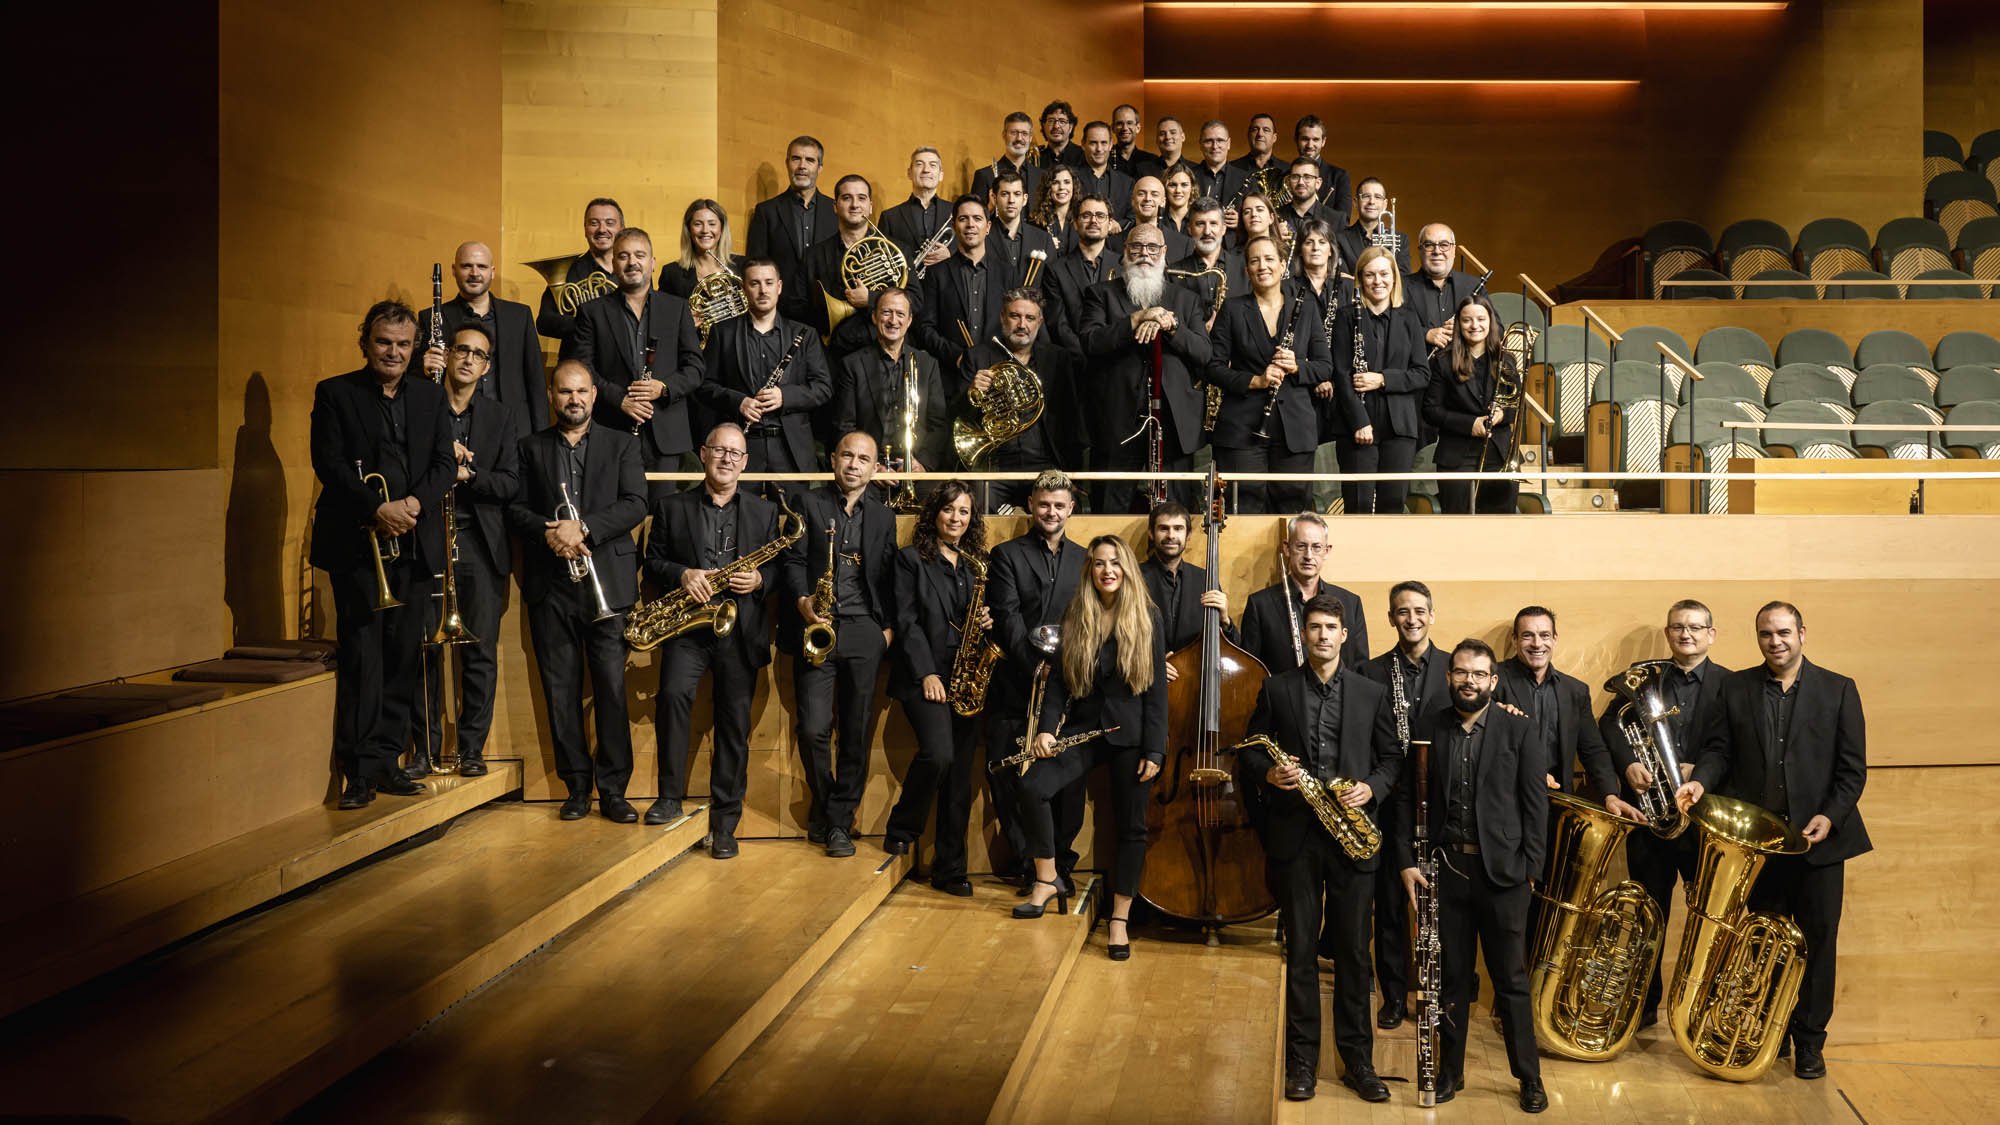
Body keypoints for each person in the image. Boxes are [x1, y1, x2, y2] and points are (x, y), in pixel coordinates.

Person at [1677, 601, 1868, 1081]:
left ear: (1802, 633)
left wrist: (1829, 816)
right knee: (1763, 944)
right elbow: (1719, 750)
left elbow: (1852, 771)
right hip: (1761, 845)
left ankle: (1809, 1042)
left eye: (1783, 632)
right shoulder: (1736, 687)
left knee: (1818, 945)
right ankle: (1768, 1035)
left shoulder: (1839, 689)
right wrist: (1700, 780)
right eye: (1766, 634)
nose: (1775, 641)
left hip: (1819, 844)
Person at [1240, 594, 1399, 1104]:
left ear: (1344, 634)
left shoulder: (1372, 693)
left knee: (1353, 954)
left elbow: (1392, 759)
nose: (1323, 635)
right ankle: (1302, 1063)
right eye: (1314, 627)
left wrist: (1371, 787)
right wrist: (1269, 773)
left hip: (1353, 836)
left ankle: (1358, 1063)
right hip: (1298, 837)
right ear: (1303, 634)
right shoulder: (1277, 688)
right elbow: (1250, 751)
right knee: (1302, 953)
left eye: (1331, 627)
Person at [1395, 638, 1551, 1113]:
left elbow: (1535, 805)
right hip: (1446, 873)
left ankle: (1529, 1078)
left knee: (1511, 982)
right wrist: (1406, 859)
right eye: (1461, 672)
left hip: (1504, 876)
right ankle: (1451, 1072)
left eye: (1479, 674)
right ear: (1449, 677)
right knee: (1452, 979)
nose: (1469, 681)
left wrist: (1531, 871)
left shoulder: (1519, 729)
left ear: (1493, 680)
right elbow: (1406, 797)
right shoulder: (1429, 726)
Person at [311, 300, 455, 809]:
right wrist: (377, 508)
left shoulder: (430, 396)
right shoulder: (335, 393)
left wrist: (413, 504)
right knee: (363, 659)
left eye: (403, 344)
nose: (393, 352)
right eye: (383, 342)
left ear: (414, 347)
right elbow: (328, 464)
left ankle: (388, 760)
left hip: (413, 541)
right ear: (365, 343)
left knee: (401, 657)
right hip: (359, 544)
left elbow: (443, 463)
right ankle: (358, 771)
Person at [1016, 535, 1168, 969]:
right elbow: (1058, 682)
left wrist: (1155, 749)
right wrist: (1047, 731)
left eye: (1115, 563)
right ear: (1090, 570)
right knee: (1031, 787)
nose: (1107, 570)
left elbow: (1156, 691)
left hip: (1131, 736)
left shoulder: (1147, 617)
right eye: (1100, 563)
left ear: (1127, 569)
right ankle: (1048, 879)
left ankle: (1119, 919)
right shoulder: (1076, 613)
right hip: (1084, 730)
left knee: (1131, 827)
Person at [507, 360, 647, 823]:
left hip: (608, 583)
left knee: (611, 690)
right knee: (560, 690)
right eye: (565, 392)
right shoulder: (529, 447)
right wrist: (551, 532)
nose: (574, 399)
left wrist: (582, 527)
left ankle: (614, 790)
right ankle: (576, 787)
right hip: (552, 586)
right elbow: (515, 508)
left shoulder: (622, 443)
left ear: (594, 395)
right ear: (552, 395)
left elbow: (635, 503)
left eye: (582, 391)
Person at [642, 424, 784, 857]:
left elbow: (781, 569)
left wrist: (760, 579)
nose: (726, 459)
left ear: (745, 462)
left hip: (739, 630)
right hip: (688, 627)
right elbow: (653, 561)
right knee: (672, 698)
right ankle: (669, 797)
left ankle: (725, 822)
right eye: (719, 450)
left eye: (735, 453)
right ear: (703, 454)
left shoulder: (764, 512)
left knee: (733, 725)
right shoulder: (671, 507)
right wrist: (683, 574)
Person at [1597, 599, 1730, 1029]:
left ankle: (1698, 1008)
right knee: (1646, 916)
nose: (1686, 634)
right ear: (1668, 633)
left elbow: (1730, 745)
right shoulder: (1645, 678)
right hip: (1652, 822)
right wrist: (1627, 765)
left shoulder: (1732, 685)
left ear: (1711, 634)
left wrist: (1701, 774)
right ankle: (1643, 1006)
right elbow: (1610, 726)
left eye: (1695, 627)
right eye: (1677, 627)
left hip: (1705, 822)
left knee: (1707, 920)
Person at [407, 323, 522, 781]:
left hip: (478, 543)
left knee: (479, 651)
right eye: (462, 350)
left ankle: (472, 749)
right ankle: (424, 749)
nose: (469, 359)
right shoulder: (420, 406)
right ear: (448, 354)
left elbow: (510, 483)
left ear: (487, 366)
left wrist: (469, 475)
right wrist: (441, 464)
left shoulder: (499, 417)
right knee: (424, 649)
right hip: (427, 538)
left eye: (479, 354)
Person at [783, 431, 898, 857]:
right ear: (833, 459)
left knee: (856, 730)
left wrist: (887, 631)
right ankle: (831, 807)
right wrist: (802, 601)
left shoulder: (883, 516)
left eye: (863, 459)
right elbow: (793, 559)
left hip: (865, 630)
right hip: (817, 623)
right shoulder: (807, 503)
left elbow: (889, 575)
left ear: (874, 468)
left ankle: (837, 821)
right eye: (847, 455)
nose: (853, 464)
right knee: (813, 728)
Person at [882, 481, 991, 895]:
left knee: (960, 776)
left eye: (964, 512)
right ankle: (902, 825)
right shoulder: (911, 559)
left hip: (966, 677)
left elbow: (980, 617)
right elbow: (906, 621)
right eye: (949, 510)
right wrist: (927, 673)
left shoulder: (976, 564)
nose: (956, 518)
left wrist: (987, 621)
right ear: (934, 514)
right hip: (924, 674)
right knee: (939, 754)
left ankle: (950, 868)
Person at [1356, 579, 1451, 1029]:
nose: (1411, 619)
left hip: (1442, 800)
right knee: (1390, 905)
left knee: (1444, 906)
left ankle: (1440, 995)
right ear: (1391, 618)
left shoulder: (1455, 667)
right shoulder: (1370, 671)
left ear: (1432, 615)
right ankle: (1393, 996)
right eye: (1402, 611)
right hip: (1389, 801)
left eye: (1419, 610)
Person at [986, 471, 1088, 885]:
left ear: (1071, 509)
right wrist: (1034, 666)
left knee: (1068, 781)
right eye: (1044, 504)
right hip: (1016, 680)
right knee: (1011, 779)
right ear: (1030, 504)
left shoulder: (1084, 558)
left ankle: (1060, 863)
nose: (1051, 512)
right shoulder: (1005, 555)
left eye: (1059, 505)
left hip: (1069, 686)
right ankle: (1029, 864)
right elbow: (1007, 617)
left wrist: (1064, 670)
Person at [1079, 223, 1213, 514]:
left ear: (1164, 252)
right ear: (1125, 251)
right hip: (1117, 422)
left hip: (1173, 424)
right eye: (1136, 247)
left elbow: (1204, 353)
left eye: (1152, 248)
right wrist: (1137, 318)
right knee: (1110, 512)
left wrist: (1172, 326)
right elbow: (1091, 342)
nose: (1144, 254)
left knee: (1174, 513)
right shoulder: (1100, 294)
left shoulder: (1186, 299)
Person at [570, 227, 705, 487]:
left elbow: (695, 368)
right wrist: (620, 400)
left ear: (652, 263)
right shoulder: (591, 312)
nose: (632, 262)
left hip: (665, 435)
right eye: (623, 256)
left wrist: (664, 388)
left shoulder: (677, 308)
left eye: (640, 255)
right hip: (612, 429)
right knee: (613, 506)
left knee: (663, 509)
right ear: (613, 264)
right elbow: (583, 370)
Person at [1206, 234, 1331, 514]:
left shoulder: (1306, 307)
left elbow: (1325, 365)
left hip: (1294, 431)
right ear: (1247, 269)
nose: (1262, 266)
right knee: (1243, 512)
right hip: (1241, 431)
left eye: (1269, 259)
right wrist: (1255, 381)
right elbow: (1213, 367)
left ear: (1283, 264)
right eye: (1255, 261)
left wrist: (1297, 366)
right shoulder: (1233, 309)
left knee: (1292, 512)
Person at [696, 259, 831, 488]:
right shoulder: (722, 332)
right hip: (742, 445)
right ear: (743, 288)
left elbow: (823, 387)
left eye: (769, 283)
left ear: (779, 287)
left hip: (790, 447)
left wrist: (784, 396)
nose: (762, 290)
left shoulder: (805, 334)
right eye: (754, 283)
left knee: (795, 510)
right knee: (739, 510)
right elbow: (704, 386)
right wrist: (739, 402)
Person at [960, 291, 1083, 511]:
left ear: (1040, 322)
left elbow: (1072, 420)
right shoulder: (977, 356)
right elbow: (956, 415)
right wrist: (972, 393)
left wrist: (1073, 473)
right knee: (977, 508)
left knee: (1063, 508)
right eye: (1015, 316)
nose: (1022, 325)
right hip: (996, 464)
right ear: (1002, 317)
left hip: (1044, 464)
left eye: (1030, 318)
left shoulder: (1057, 358)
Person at [1494, 605, 1627, 805]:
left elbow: (1593, 749)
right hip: (1506, 802)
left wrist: (1610, 795)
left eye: (1544, 635)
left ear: (1555, 639)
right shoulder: (1492, 680)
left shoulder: (1575, 691)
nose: (1537, 644)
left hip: (1558, 803)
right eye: (1528, 636)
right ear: (1515, 640)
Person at [1330, 245, 1427, 515]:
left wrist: (1382, 379)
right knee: (1358, 504)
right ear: (1360, 279)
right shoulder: (1346, 317)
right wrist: (1359, 422)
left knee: (1393, 504)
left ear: (1394, 277)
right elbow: (1341, 375)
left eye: (1384, 274)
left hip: (1399, 427)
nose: (1378, 281)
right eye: (1370, 274)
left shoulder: (1409, 319)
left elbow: (1422, 373)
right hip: (1357, 425)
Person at [416, 241, 544, 439]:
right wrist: (423, 369)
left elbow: (535, 380)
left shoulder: (519, 316)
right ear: (454, 270)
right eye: (467, 266)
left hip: (514, 429)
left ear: (492, 272)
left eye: (482, 266)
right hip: (455, 429)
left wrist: (540, 438)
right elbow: (416, 380)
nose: (474, 273)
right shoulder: (431, 317)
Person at [835, 287, 948, 492]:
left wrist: (922, 463)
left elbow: (938, 424)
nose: (893, 320)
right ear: (874, 316)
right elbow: (845, 425)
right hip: (869, 473)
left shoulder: (927, 364)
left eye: (900, 314)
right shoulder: (852, 365)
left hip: (916, 468)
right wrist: (871, 466)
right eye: (886, 312)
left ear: (910, 320)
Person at [1423, 295, 1519, 514]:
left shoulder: (1506, 360)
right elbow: (1430, 410)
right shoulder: (1443, 362)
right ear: (1459, 324)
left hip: (1499, 451)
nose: (1475, 325)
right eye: (1467, 320)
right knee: (1458, 522)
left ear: (1491, 322)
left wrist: (1501, 415)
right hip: (1456, 452)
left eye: (1481, 319)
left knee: (1500, 524)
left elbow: (1515, 405)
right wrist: (1469, 424)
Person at [1238, 512, 1368, 672]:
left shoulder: (1351, 603)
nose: (1308, 555)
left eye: (1316, 547)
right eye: (1301, 546)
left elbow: (1360, 670)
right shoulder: (1260, 605)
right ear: (1287, 548)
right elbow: (1250, 669)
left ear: (1327, 551)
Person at [916, 195, 1016, 380]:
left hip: (997, 374)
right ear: (954, 226)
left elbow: (1013, 324)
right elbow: (925, 328)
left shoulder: (1007, 273)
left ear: (988, 227)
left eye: (977, 218)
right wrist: (957, 357)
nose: (970, 225)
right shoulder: (936, 273)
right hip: (951, 375)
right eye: (963, 219)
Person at [803, 173, 899, 360]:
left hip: (883, 351)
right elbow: (801, 306)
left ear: (870, 206)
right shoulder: (814, 256)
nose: (855, 205)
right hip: (833, 354)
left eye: (861, 198)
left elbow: (915, 299)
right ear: (835, 206)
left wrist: (872, 299)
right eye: (847, 198)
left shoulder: (896, 250)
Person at [746, 135, 835, 324]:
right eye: (796, 159)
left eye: (810, 160)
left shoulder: (835, 210)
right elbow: (755, 264)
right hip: (781, 313)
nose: (802, 166)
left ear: (820, 167)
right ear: (787, 163)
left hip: (827, 314)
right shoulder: (766, 211)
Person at [1138, 500, 1235, 659]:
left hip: (1195, 671)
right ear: (1151, 533)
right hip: (1147, 673)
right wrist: (1153, 664)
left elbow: (1230, 648)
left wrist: (1225, 621)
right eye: (1163, 528)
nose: (1171, 536)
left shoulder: (1205, 579)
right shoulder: (1134, 576)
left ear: (1188, 535)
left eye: (1178, 528)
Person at [657, 199, 748, 341]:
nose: (705, 230)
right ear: (689, 229)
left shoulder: (744, 266)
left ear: (722, 228)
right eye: (698, 224)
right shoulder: (672, 273)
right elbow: (662, 321)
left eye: (712, 224)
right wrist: (684, 324)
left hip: (738, 345)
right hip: (695, 348)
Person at [536, 197, 621, 347]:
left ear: (621, 229)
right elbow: (544, 322)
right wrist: (586, 324)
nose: (602, 229)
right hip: (578, 357)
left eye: (610, 223)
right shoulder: (567, 270)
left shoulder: (633, 270)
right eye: (594, 223)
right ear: (585, 229)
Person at [1042, 194, 1116, 354]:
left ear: (1110, 224)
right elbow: (1058, 324)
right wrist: (1085, 354)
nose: (1093, 221)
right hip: (1075, 360)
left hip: (1117, 357)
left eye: (1100, 216)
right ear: (1075, 223)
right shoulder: (1055, 270)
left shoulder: (1123, 266)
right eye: (1086, 215)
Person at [1168, 199, 1246, 334]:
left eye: (1213, 223)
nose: (1207, 231)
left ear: (1224, 228)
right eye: (1200, 224)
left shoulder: (1244, 268)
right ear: (1189, 229)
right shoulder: (1173, 273)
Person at [881, 146, 951, 270]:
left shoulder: (956, 211)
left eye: (933, 165)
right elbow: (883, 259)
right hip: (908, 282)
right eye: (919, 164)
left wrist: (950, 255)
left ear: (941, 175)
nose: (926, 170)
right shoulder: (890, 217)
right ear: (909, 173)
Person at [987, 171, 1058, 281]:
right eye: (1005, 194)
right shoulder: (983, 237)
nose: (1011, 200)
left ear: (1024, 199)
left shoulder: (1044, 240)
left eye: (1017, 194)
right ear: (994, 198)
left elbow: (1052, 284)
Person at [1336, 178, 1408, 275]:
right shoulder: (1339, 239)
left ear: (1385, 204)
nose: (1371, 202)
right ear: (1355, 203)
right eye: (1366, 196)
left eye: (1378, 197)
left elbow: (1403, 279)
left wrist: (1354, 279)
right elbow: (1342, 280)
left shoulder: (1401, 240)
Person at [1292, 114, 1353, 228]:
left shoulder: (1339, 177)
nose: (1310, 145)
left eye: (1315, 139)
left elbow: (1343, 222)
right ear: (1296, 140)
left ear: (1323, 141)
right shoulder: (1285, 176)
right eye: (1305, 139)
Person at [971, 111, 1044, 203]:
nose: (1019, 138)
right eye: (1013, 133)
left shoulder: (1042, 176)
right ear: (1004, 135)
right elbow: (975, 211)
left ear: (1030, 138)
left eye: (1024, 133)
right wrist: (990, 207)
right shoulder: (985, 176)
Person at [1113, 175, 1190, 262]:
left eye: (1154, 194)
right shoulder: (1112, 243)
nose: (1147, 198)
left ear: (1163, 202)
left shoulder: (1183, 245)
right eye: (1141, 194)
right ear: (1133, 200)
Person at [1075, 121, 1136, 227]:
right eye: (1093, 143)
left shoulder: (1127, 182)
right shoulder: (1071, 178)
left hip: (1116, 237)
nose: (1099, 149)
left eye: (1103, 143)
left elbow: (1133, 216)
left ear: (1110, 145)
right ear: (1083, 144)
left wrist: (1117, 225)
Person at [1192, 120, 1247, 210]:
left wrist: (1240, 217)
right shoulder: (1189, 177)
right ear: (1201, 144)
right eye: (1209, 141)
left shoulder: (1246, 179)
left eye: (1220, 140)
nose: (1214, 146)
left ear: (1228, 144)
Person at [1028, 165, 1079, 257]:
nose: (1061, 187)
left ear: (1073, 186)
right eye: (1055, 183)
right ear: (1048, 187)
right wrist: (1045, 245)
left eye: (1067, 182)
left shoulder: (1082, 218)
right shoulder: (1036, 222)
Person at [1110, 103, 1160, 178]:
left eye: (1129, 123)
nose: (1125, 128)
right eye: (1119, 123)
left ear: (1138, 128)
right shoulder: (1104, 159)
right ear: (1113, 128)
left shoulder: (1152, 161)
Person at [1036, 99, 1086, 170]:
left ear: (1070, 127)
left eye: (1062, 121)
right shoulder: (1036, 158)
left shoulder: (1084, 156)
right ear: (1043, 126)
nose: (1056, 126)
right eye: (1051, 121)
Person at [1162, 164, 1197, 235]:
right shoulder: (1157, 220)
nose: (1178, 190)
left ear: (1192, 188)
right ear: (1165, 188)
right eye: (1172, 185)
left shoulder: (1199, 218)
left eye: (1184, 185)